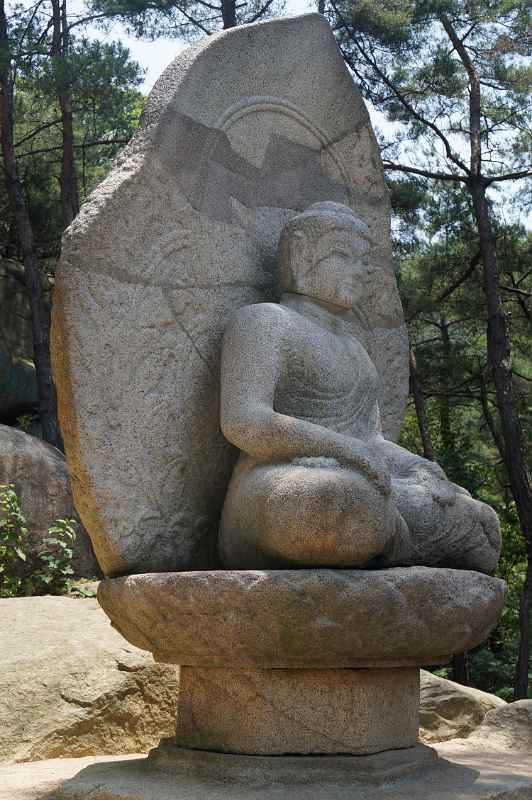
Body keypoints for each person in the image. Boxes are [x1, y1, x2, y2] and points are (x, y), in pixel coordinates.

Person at [218, 202, 501, 572]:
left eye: (363, 260)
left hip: (360, 480)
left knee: (481, 525)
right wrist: (345, 450)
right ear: (301, 255)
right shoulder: (267, 321)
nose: (361, 271)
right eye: (343, 256)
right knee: (338, 504)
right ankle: (383, 534)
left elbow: (373, 440)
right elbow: (244, 421)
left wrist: (418, 467)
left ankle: (384, 536)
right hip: (280, 481)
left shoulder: (355, 348)